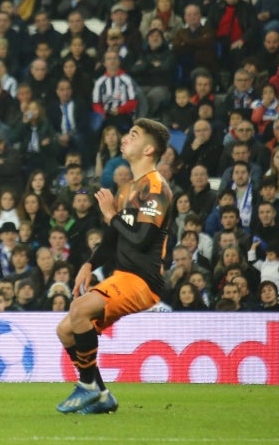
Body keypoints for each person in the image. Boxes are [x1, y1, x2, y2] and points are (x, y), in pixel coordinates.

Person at [55, 118, 173, 414]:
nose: (125, 138)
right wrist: (89, 264)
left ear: (148, 149)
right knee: (66, 330)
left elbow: (143, 238)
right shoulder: (127, 189)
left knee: (79, 310)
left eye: (133, 135)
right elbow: (112, 240)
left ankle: (87, 386)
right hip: (122, 275)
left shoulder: (156, 187)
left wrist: (110, 215)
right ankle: (103, 395)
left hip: (142, 280)